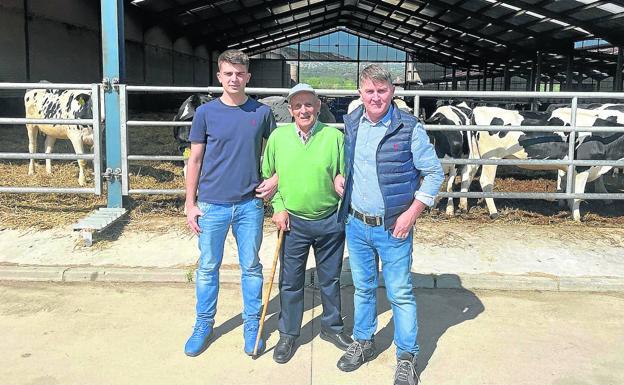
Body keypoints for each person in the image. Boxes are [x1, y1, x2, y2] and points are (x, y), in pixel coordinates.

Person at [334, 65, 444, 385]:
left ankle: (407, 356)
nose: (376, 97)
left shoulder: (409, 128)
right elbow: (348, 162)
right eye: (370, 91)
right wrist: (341, 178)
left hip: (394, 226)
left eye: (382, 91)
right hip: (356, 223)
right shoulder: (352, 123)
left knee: (400, 293)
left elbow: (434, 173)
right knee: (364, 288)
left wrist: (411, 214)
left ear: (393, 91)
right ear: (360, 93)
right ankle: (364, 342)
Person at [184, 49, 278, 357]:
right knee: (208, 267)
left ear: (248, 76)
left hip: (249, 204)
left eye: (240, 74)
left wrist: (275, 179)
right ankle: (203, 324)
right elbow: (194, 159)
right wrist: (190, 202)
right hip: (212, 203)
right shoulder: (205, 113)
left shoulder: (261, 113)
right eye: (228, 73)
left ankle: (253, 324)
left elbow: (277, 152)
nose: (234, 79)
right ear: (220, 76)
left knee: (251, 266)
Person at [261, 83, 353, 364]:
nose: (304, 110)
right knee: (290, 281)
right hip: (293, 222)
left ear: (318, 106)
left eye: (309, 104)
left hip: (329, 221)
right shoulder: (278, 137)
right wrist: (277, 208)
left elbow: (345, 175)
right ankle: (288, 333)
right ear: (290, 110)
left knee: (330, 279)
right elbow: (268, 178)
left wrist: (341, 183)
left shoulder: (334, 137)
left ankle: (331, 327)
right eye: (297, 105)